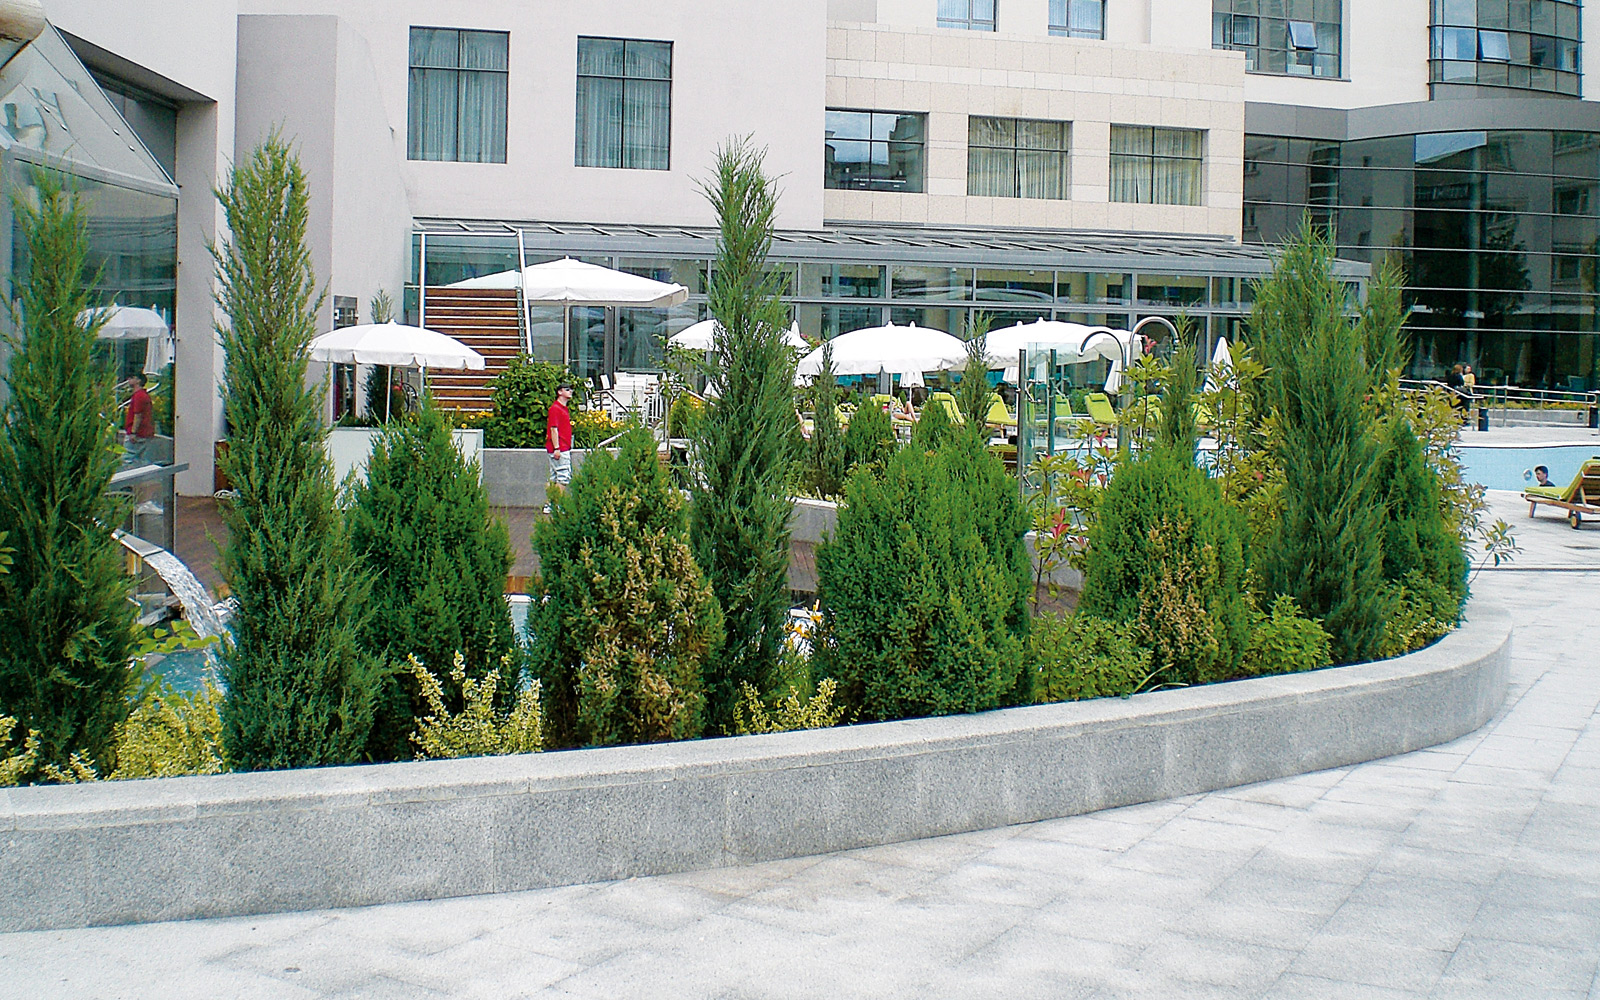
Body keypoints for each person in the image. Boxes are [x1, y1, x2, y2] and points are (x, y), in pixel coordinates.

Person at [543, 382, 574, 514]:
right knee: (563, 477)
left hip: (560, 447)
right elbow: (553, 429)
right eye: (567, 389)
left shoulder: (562, 409)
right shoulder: (556, 409)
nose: (570, 391)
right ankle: (556, 504)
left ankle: (550, 504)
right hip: (560, 447)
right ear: (559, 392)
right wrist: (557, 448)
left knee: (554, 477)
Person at [121, 372, 155, 466]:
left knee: (127, 458)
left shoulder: (139, 396)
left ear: (138, 380)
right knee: (139, 460)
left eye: (132, 377)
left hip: (138, 433)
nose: (129, 379)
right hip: (144, 432)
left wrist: (133, 432)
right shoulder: (143, 395)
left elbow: (138, 415)